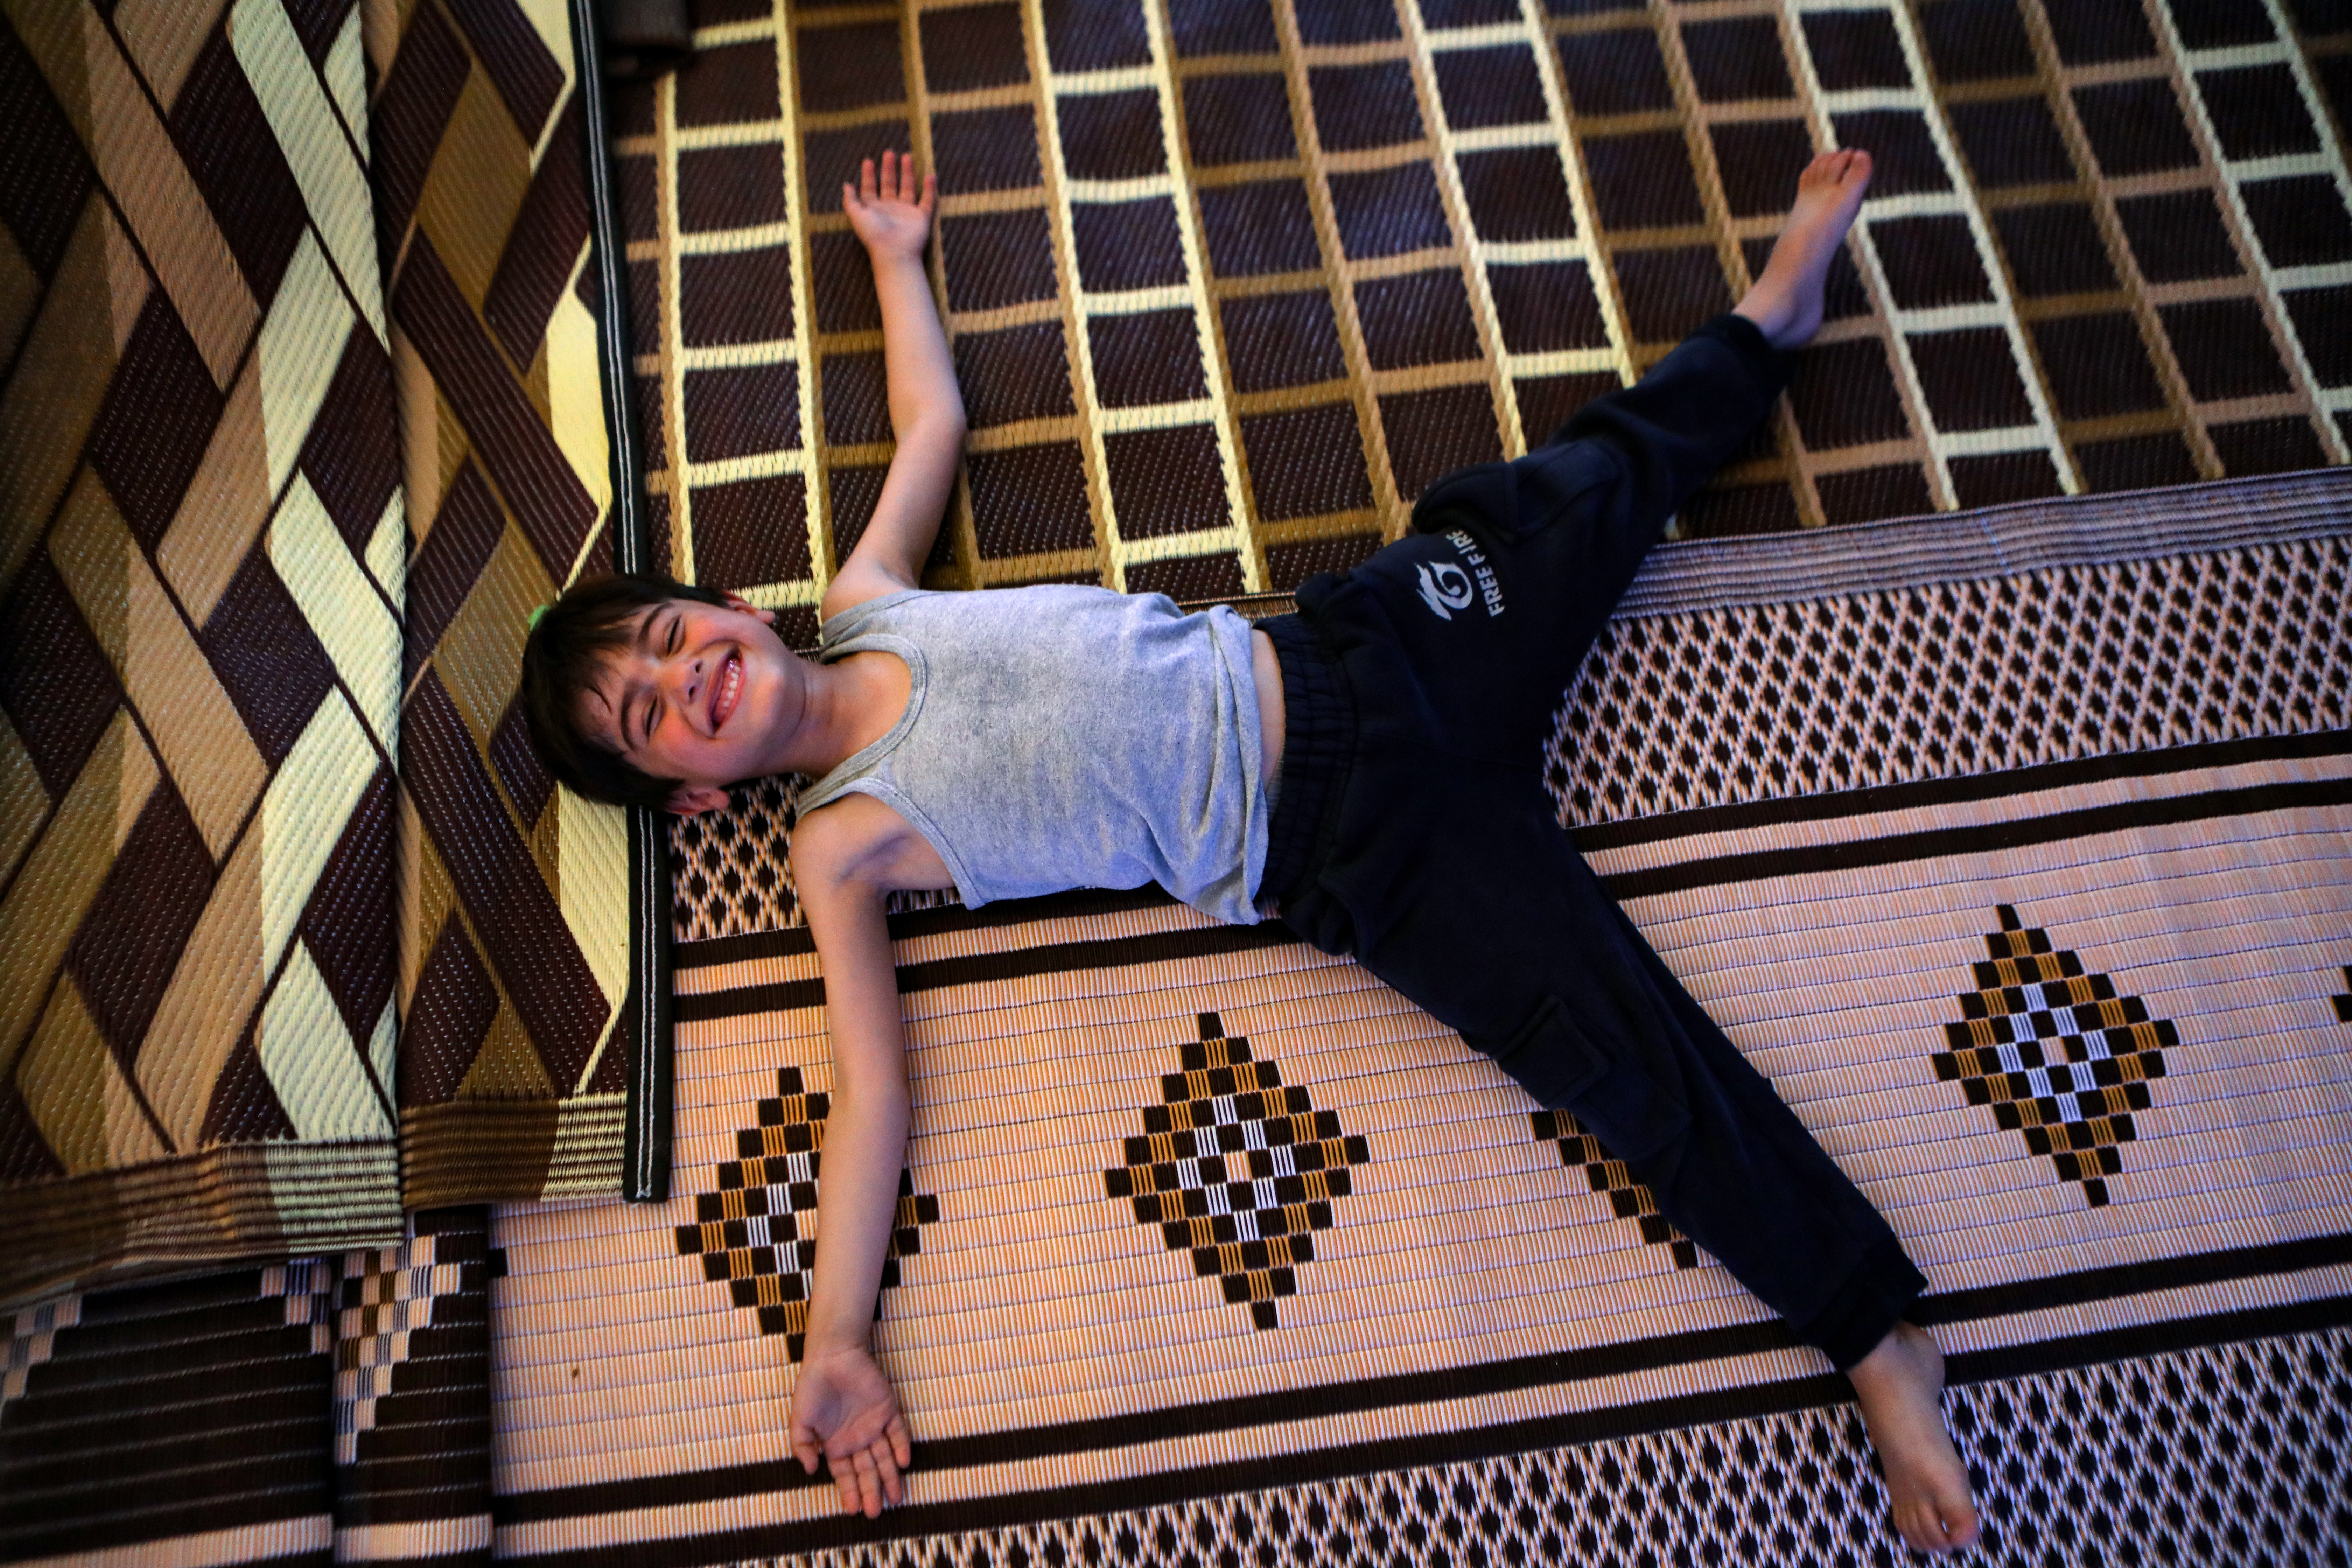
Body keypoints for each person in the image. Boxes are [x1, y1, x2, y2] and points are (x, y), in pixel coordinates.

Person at [521, 146, 1982, 1554]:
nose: (687, 678)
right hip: (1361, 850)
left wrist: (900, 268)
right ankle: (1868, 1327)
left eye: (670, 638)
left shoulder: (867, 596)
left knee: (1578, 496)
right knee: (1622, 1061)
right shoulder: (838, 850)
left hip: (1368, 649)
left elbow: (931, 430)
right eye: (657, 720)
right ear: (693, 801)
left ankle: (1765, 325)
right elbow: (873, 1088)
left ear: (721, 603)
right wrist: (836, 1334)